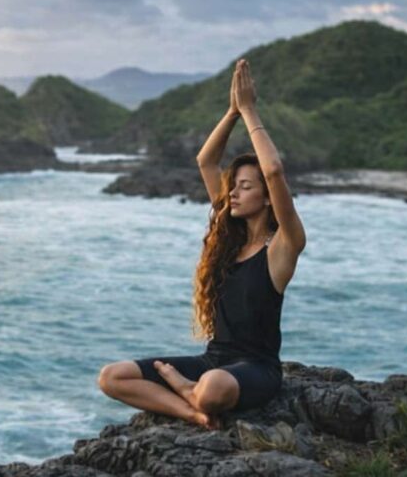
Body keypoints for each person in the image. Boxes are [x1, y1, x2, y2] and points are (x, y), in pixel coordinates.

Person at [97, 58, 307, 430]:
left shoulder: (282, 248)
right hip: (213, 360)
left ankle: (192, 392)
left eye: (246, 187)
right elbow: (206, 161)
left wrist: (250, 111)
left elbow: (274, 170)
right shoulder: (230, 239)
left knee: (213, 387)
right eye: (234, 186)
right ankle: (192, 410)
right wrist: (230, 113)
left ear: (267, 198)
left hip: (255, 370)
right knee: (112, 377)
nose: (235, 194)